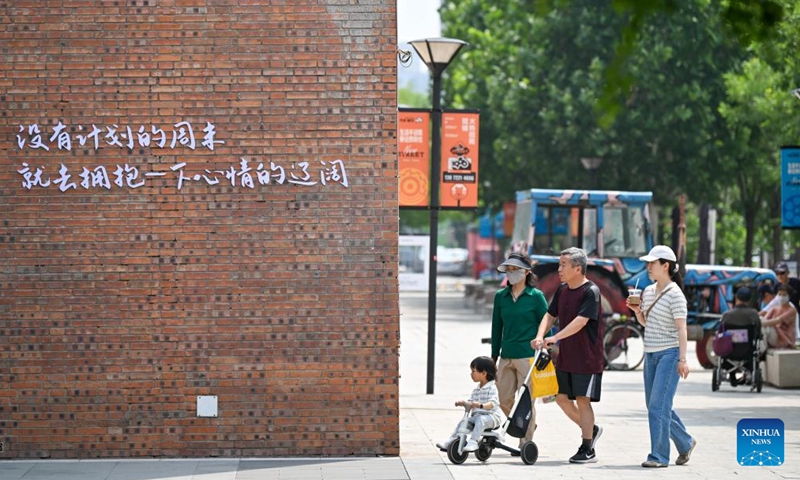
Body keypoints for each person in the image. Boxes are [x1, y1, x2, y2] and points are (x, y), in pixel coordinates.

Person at [532, 247, 604, 464]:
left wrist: (556, 338)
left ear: (578, 268)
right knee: (561, 398)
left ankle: (587, 447)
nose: (559, 269)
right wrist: (539, 335)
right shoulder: (563, 290)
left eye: (563, 264)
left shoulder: (591, 292)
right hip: (566, 357)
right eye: (559, 264)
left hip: (587, 358)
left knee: (582, 400)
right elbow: (550, 315)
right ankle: (590, 429)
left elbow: (581, 322)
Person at [627, 245, 695, 468]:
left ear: (666, 266)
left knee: (657, 406)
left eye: (652, 263)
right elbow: (647, 323)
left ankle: (659, 456)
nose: (648, 267)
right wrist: (637, 312)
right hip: (651, 354)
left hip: (669, 354)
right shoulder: (647, 291)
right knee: (656, 405)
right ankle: (685, 443)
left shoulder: (676, 295)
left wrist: (683, 359)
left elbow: (682, 329)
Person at [491, 252, 548, 447]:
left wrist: (544, 343)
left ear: (526, 272)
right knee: (504, 399)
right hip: (506, 356)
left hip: (528, 357)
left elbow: (546, 323)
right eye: (509, 269)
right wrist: (493, 356)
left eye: (516, 269)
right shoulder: (501, 297)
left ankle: (526, 443)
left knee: (526, 402)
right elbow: (496, 327)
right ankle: (526, 425)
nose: (511, 273)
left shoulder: (536, 297)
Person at [436, 356, 504, 452]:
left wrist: (481, 405)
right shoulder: (476, 389)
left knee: (481, 419)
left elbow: (493, 403)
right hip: (477, 417)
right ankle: (453, 439)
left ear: (484, 373)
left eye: (473, 371)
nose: (471, 374)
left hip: (492, 417)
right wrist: (464, 403)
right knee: (464, 421)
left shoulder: (492, 388)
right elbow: (471, 402)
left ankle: (473, 442)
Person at [720, 287, 762, 384]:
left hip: (729, 350)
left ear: (736, 298)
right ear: (749, 299)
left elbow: (721, 331)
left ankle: (731, 374)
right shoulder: (753, 314)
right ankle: (748, 372)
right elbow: (758, 331)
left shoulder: (727, 315)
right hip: (747, 350)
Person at [760, 284, 798, 349]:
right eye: (779, 294)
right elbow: (764, 319)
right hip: (775, 336)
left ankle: (761, 350)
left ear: (789, 297)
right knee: (761, 321)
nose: (781, 297)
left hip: (784, 339)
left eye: (784, 295)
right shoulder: (775, 308)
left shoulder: (792, 310)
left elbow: (778, 320)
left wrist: (760, 324)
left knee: (765, 327)